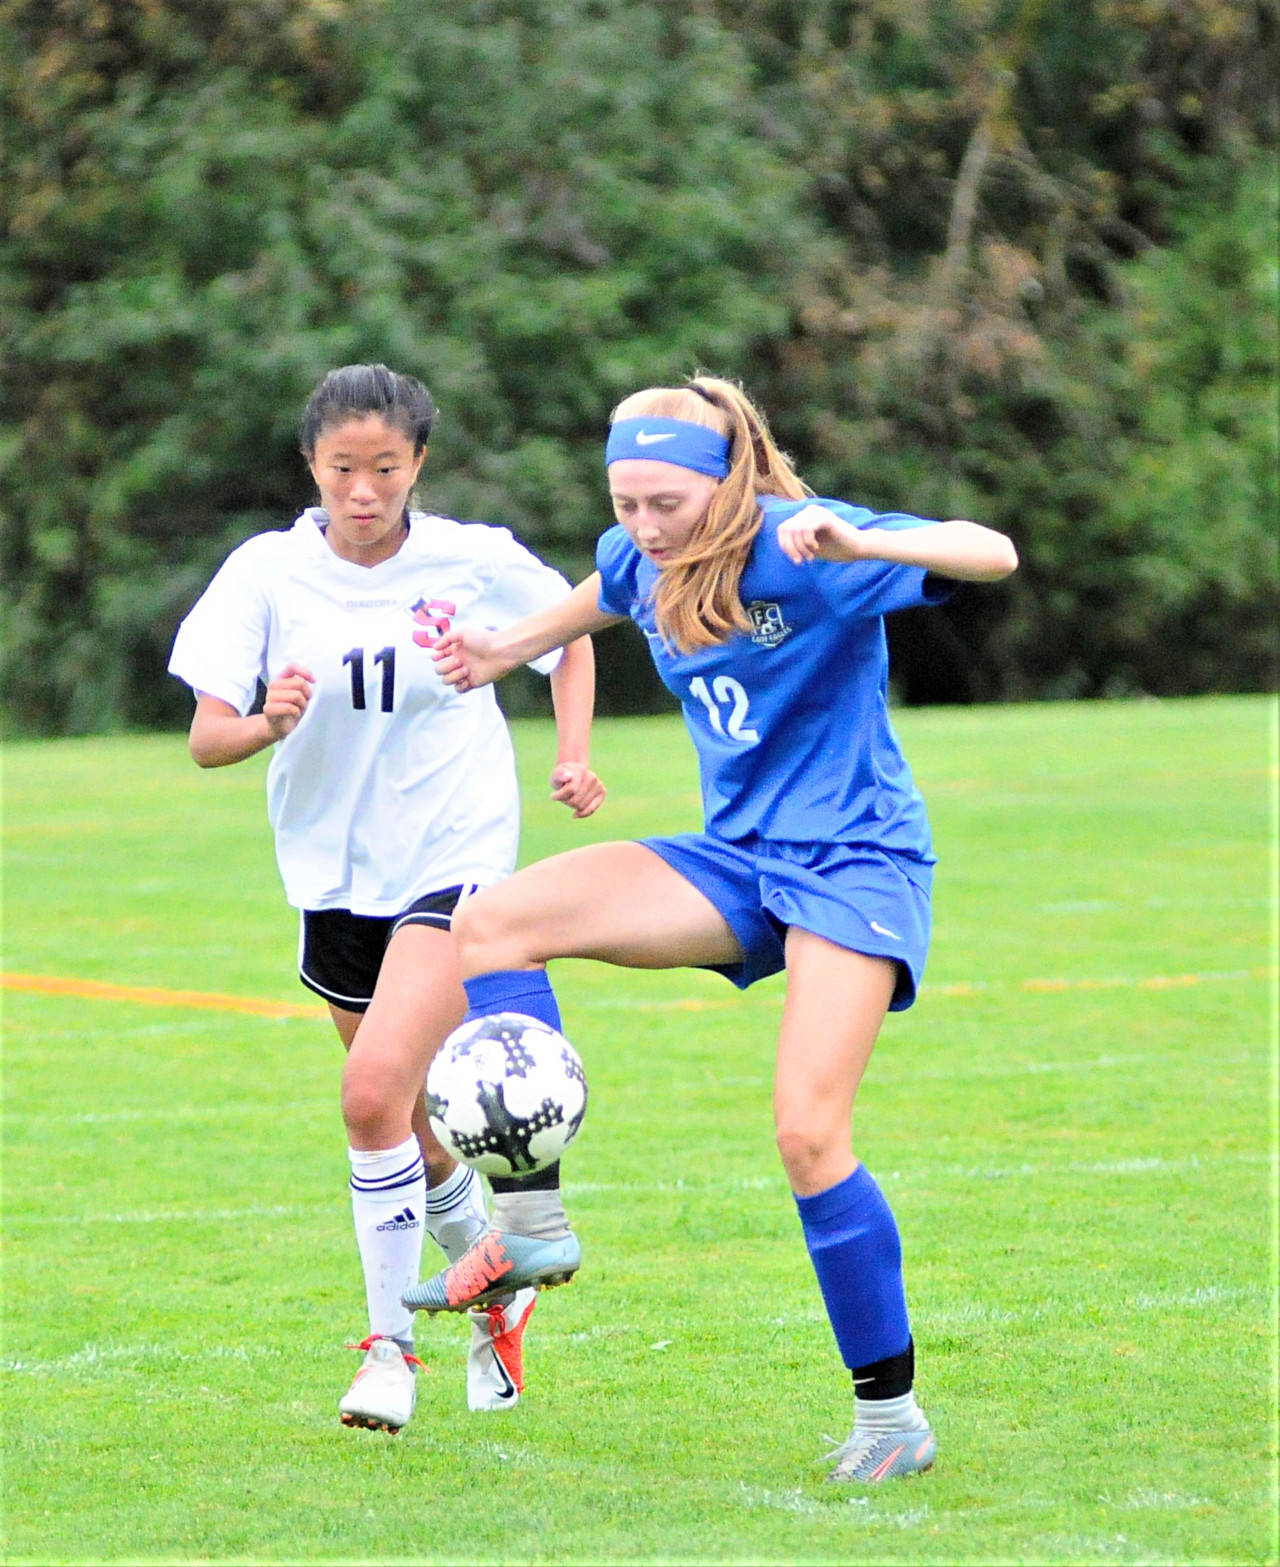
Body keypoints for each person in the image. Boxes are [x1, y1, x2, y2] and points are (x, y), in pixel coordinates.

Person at [401, 375, 1018, 1482]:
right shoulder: (640, 551)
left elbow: (992, 552)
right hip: (737, 860)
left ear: (724, 481)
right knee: (491, 922)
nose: (642, 524)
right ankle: (532, 1222)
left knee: (805, 1132)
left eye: (664, 503)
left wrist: (858, 538)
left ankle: (890, 1416)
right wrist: (504, 647)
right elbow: (607, 589)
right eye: (622, 499)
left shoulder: (799, 542)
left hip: (850, 864)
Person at [167, 364, 604, 1435]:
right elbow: (206, 738)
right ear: (311, 466)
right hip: (330, 874)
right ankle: (493, 1298)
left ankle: (386, 1350)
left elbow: (571, 635)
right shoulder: (265, 574)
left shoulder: (472, 559)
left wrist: (573, 754)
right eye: (342, 468)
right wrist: (267, 721)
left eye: (386, 468)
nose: (363, 489)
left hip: (452, 861)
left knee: (369, 1099)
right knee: (407, 1120)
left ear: (417, 464)